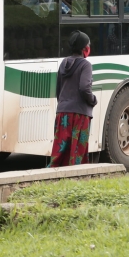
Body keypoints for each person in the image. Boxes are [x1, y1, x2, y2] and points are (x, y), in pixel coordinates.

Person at [50, 31, 97, 167]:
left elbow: (58, 89)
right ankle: (75, 180)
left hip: (63, 113)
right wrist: (93, 100)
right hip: (79, 114)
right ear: (84, 48)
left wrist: (64, 105)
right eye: (88, 45)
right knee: (77, 153)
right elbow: (84, 88)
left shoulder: (64, 62)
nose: (89, 48)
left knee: (60, 151)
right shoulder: (85, 65)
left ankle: (52, 177)